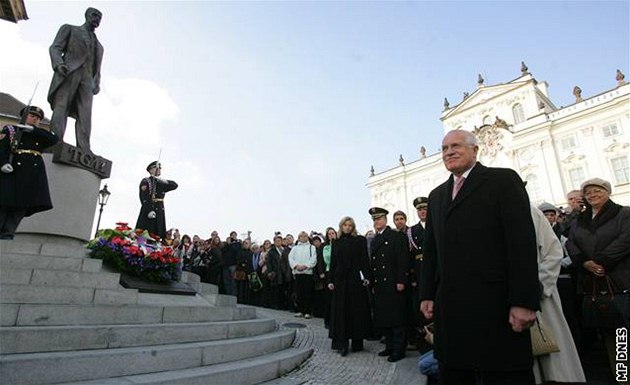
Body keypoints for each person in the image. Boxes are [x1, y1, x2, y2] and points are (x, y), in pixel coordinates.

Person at [420, 130, 539, 384]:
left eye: (456, 146)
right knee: (455, 373)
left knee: (503, 375)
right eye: (444, 148)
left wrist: (524, 301)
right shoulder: (437, 196)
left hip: (496, 306)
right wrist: (427, 294)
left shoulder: (502, 181)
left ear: (475, 150)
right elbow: (431, 252)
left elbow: (521, 244)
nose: (449, 151)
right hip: (452, 309)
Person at [566, 177, 630, 382]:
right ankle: (622, 376)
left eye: (597, 191)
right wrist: (585, 263)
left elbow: (626, 239)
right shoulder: (579, 220)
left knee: (623, 331)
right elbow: (572, 244)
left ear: (608, 192)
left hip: (620, 279)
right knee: (611, 334)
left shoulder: (623, 213)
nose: (593, 195)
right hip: (593, 284)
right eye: (589, 192)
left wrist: (602, 261)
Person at [530, 205, 586, 384]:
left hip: (539, 296)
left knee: (551, 357)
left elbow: (553, 253)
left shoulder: (529, 211)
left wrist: (537, 286)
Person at [47, 7, 103, 152]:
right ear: (86, 15)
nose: (96, 18)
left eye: (99, 17)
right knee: (61, 106)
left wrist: (97, 81)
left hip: (88, 79)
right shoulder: (70, 29)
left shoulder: (100, 46)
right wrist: (59, 64)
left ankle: (84, 148)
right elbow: (55, 48)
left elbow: (97, 66)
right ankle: (55, 140)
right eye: (94, 15)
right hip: (70, 72)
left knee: (85, 113)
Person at [0, 106, 58, 239]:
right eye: (32, 116)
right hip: (13, 171)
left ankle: (7, 234)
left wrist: (34, 130)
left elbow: (54, 139)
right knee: (4, 203)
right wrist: (3, 163)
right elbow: (2, 148)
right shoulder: (11, 130)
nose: (35, 119)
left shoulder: (39, 133)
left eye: (37, 118)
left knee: (21, 207)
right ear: (24, 116)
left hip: (31, 174)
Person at [369, 206, 410, 362]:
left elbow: (403, 260)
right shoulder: (375, 240)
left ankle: (399, 350)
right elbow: (374, 263)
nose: (376, 222)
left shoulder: (396, 236)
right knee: (385, 317)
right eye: (374, 219)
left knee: (397, 318)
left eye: (379, 219)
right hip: (380, 284)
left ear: (385, 220)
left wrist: (401, 280)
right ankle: (390, 346)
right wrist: (372, 283)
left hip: (394, 282)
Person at [327, 217, 372, 356]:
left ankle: (358, 342)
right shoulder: (336, 242)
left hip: (354, 279)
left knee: (356, 310)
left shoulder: (359, 240)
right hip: (340, 280)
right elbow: (333, 263)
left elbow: (364, 260)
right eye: (345, 225)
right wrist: (330, 280)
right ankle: (342, 343)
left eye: (350, 225)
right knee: (341, 312)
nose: (347, 227)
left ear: (353, 227)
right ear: (341, 226)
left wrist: (367, 276)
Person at [135, 161, 178, 241]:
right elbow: (144, 197)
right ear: (150, 170)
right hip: (150, 209)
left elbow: (174, 185)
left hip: (159, 210)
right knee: (147, 232)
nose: (159, 169)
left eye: (159, 168)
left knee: (158, 234)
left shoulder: (161, 182)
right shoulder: (146, 181)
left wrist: (162, 180)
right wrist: (149, 210)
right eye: (156, 168)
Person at [289, 231, 317, 319]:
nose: (303, 237)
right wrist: (296, 266)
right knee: (298, 292)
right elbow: (290, 258)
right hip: (297, 273)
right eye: (301, 236)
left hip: (308, 273)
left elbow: (314, 259)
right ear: (299, 238)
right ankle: (299, 310)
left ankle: (307, 311)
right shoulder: (294, 248)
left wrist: (306, 266)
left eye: (305, 236)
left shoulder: (312, 247)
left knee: (308, 292)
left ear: (308, 237)